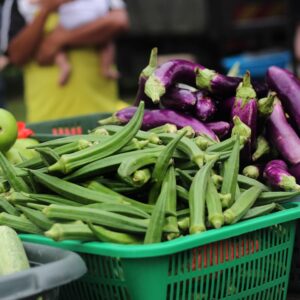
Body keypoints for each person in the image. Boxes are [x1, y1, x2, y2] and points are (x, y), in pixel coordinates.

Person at [0, 0, 129, 122]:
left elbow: (119, 21)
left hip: (102, 111)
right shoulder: (18, 3)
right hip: (47, 117)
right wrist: (46, 11)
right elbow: (16, 56)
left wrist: (59, 39)